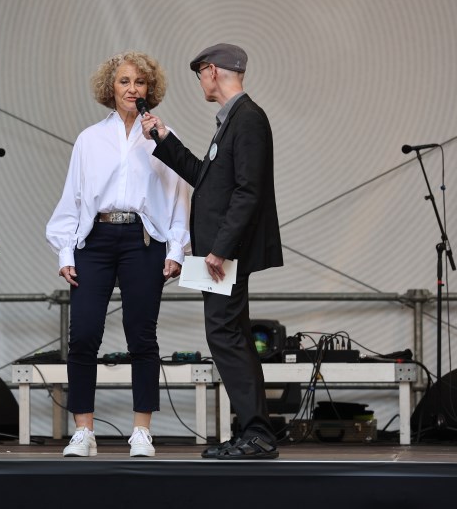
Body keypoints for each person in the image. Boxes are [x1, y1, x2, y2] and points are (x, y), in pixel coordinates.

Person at [140, 43, 283, 460]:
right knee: (231, 336)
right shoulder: (232, 121)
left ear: (211, 71)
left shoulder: (248, 119)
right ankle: (252, 432)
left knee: (226, 336)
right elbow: (208, 180)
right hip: (221, 252)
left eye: (200, 73)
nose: (201, 81)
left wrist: (220, 251)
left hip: (225, 255)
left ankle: (257, 433)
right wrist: (164, 139)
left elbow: (248, 192)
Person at [46, 51, 190, 457]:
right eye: (125, 81)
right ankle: (83, 431)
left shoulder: (163, 136)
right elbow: (73, 199)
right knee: (84, 334)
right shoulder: (90, 139)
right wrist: (65, 252)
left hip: (144, 240)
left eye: (140, 83)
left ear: (150, 90)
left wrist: (176, 248)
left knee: (142, 335)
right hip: (96, 239)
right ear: (111, 88)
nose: (132, 89)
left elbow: (180, 198)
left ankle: (141, 430)